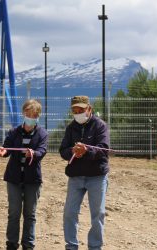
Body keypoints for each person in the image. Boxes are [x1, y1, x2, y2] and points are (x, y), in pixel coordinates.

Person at [59, 96, 110, 250]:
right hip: (75, 176)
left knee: (98, 214)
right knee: (69, 212)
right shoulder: (70, 128)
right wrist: (72, 151)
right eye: (74, 111)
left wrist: (87, 150)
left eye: (81, 110)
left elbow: (104, 149)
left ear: (89, 109)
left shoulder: (100, 126)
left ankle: (95, 247)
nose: (77, 113)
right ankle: (71, 246)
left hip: (97, 176)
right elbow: (62, 151)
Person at [0, 99, 48, 250]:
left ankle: (28, 244)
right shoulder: (14, 132)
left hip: (32, 180)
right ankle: (11, 244)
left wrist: (34, 153)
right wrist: (3, 151)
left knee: (30, 214)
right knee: (14, 212)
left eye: (34, 115)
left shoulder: (42, 133)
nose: (30, 117)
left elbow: (42, 151)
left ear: (38, 116)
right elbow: (6, 148)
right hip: (13, 178)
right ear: (23, 114)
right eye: (28, 114)